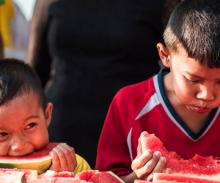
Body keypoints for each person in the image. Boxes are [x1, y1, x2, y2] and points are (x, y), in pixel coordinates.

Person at [26, 0, 178, 168]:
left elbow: (182, 63)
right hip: (59, 137)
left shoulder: (161, 3)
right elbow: (34, 73)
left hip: (130, 135)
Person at [95, 0, 220, 183]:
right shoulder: (128, 104)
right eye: (194, 80)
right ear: (165, 55)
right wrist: (135, 178)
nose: (207, 95)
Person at [0, 58, 90, 173]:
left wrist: (64, 180)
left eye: (30, 125)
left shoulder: (76, 165)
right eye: (2, 134)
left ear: (47, 115)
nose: (19, 146)